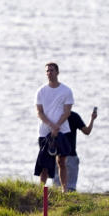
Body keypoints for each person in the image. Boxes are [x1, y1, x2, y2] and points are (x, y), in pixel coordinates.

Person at [33, 62, 73, 192]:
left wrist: (57, 126)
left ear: (57, 72)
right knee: (44, 162)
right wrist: (51, 126)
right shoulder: (41, 91)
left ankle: (64, 189)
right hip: (45, 131)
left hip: (62, 130)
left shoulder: (66, 90)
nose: (49, 73)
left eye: (52, 70)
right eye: (47, 71)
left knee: (61, 162)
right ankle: (41, 189)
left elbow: (67, 111)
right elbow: (39, 111)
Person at [52, 107, 97, 192]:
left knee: (56, 188)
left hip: (58, 155)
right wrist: (92, 119)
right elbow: (87, 131)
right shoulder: (74, 116)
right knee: (71, 188)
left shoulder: (54, 116)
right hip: (71, 155)